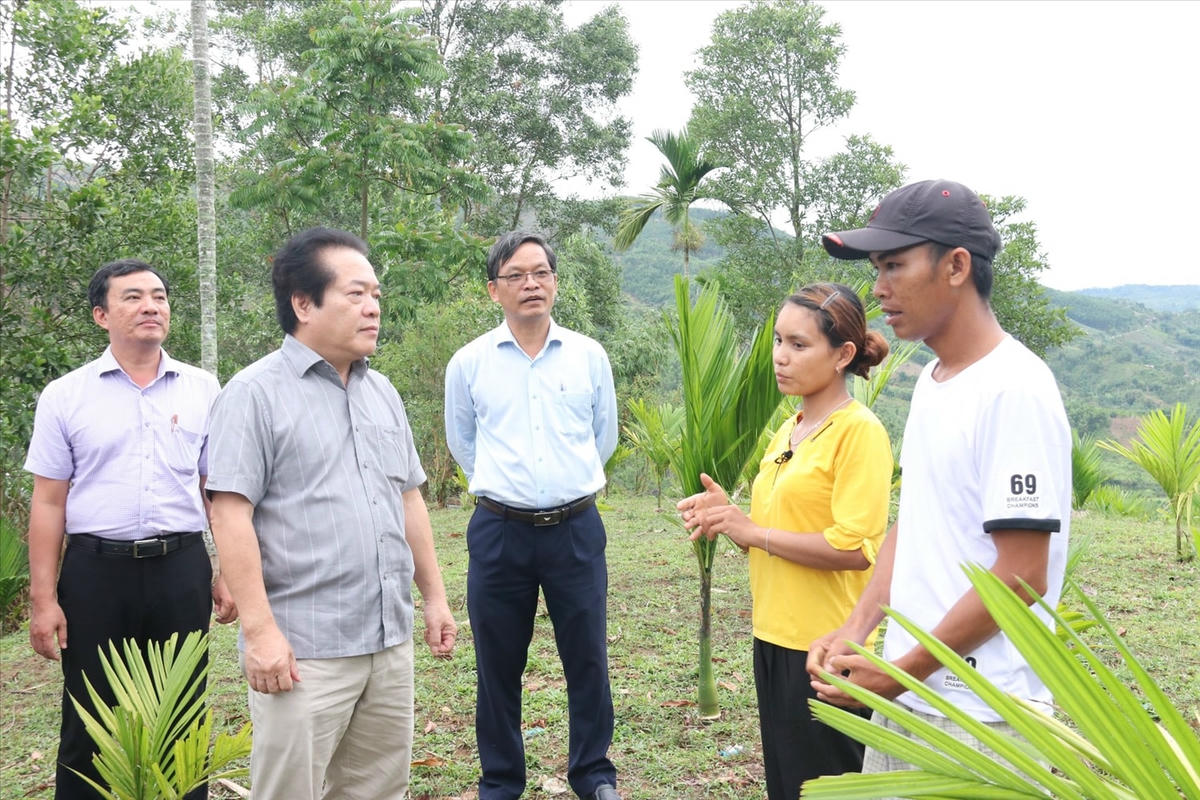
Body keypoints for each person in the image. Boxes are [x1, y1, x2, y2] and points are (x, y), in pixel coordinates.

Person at [807, 179, 1071, 777]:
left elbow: (1022, 576)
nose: (878, 290)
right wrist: (859, 627)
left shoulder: (1015, 390)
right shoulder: (932, 380)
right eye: (876, 269)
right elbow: (920, 520)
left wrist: (903, 671)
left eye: (895, 265)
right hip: (915, 694)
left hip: (987, 716)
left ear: (956, 266)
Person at [205, 227, 457, 800]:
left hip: (387, 640)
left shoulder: (382, 392)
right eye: (355, 294)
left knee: (376, 790)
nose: (372, 309)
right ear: (303, 302)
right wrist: (260, 631)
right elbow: (230, 516)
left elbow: (408, 497)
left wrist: (435, 597)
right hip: (303, 649)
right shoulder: (254, 394)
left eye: (376, 296)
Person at [24, 259, 235, 800]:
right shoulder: (66, 395)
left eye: (159, 297)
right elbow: (49, 503)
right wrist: (43, 598)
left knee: (182, 711)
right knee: (90, 717)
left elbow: (217, 492)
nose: (151, 307)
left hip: (180, 567)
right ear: (101, 315)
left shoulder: (202, 387)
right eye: (133, 297)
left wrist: (228, 571)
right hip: (95, 574)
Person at [677, 283, 893, 798]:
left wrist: (754, 531)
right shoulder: (788, 430)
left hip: (827, 647)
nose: (780, 357)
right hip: (773, 637)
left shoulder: (858, 432)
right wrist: (730, 521)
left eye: (799, 345)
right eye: (778, 340)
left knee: (826, 788)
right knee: (787, 785)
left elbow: (854, 547)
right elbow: (772, 535)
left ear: (843, 355)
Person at [444, 231, 621, 800]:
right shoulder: (469, 363)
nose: (531, 284)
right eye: (516, 276)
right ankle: (500, 781)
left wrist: (563, 487)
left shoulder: (588, 355)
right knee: (497, 665)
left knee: (588, 657)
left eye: (541, 273)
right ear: (493, 289)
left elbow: (604, 438)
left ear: (555, 283)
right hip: (499, 530)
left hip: (576, 528)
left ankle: (593, 774)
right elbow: (463, 443)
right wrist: (508, 490)